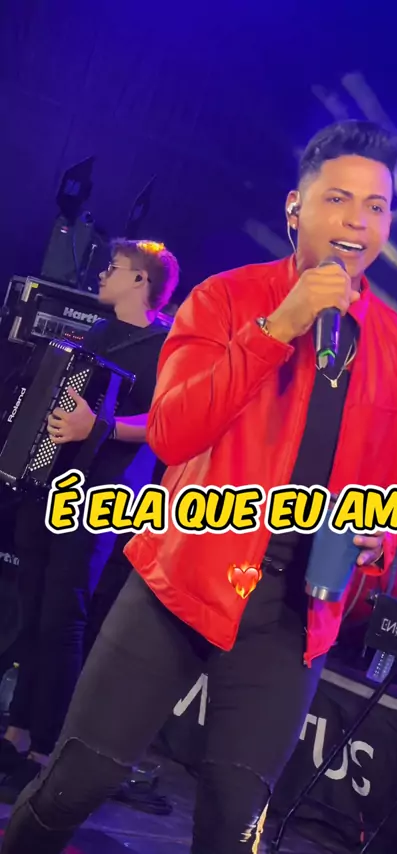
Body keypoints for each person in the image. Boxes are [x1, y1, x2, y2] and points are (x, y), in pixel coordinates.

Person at [2, 121, 397, 853]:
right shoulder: (226, 298)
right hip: (181, 579)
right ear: (296, 206)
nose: (358, 220)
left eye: (376, 206)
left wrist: (380, 535)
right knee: (76, 782)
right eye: (338, 198)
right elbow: (173, 434)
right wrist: (279, 326)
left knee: (233, 825)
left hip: (294, 616)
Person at [0, 239, 178, 802]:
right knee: (33, 609)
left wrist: (99, 428)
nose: (102, 274)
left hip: (102, 494)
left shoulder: (169, 345)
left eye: (113, 268)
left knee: (64, 617)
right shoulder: (99, 334)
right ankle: (17, 731)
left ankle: (49, 748)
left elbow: (167, 422)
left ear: (141, 281)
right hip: (51, 481)